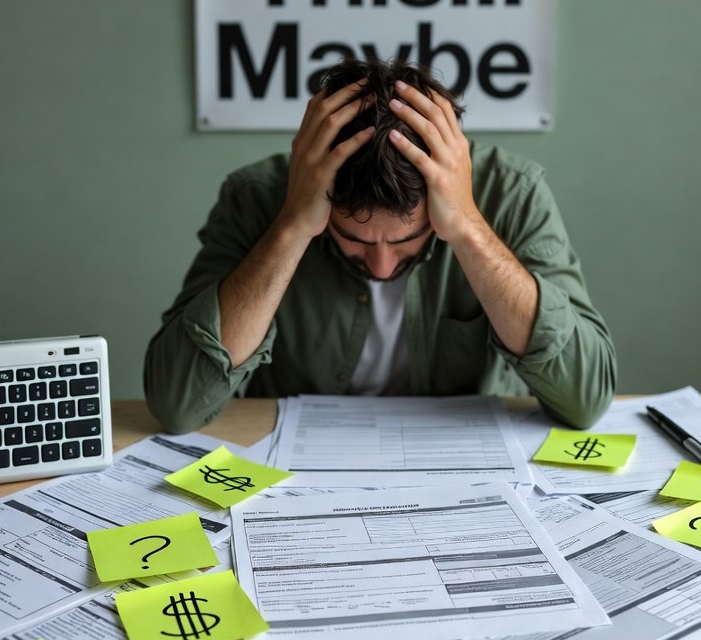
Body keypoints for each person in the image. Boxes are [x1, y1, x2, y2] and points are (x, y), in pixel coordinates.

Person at [144, 58, 615, 432]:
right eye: (353, 238)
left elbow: (584, 400)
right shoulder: (256, 199)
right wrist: (290, 227)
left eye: (408, 239)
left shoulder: (512, 195)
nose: (384, 265)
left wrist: (469, 229)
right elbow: (178, 406)